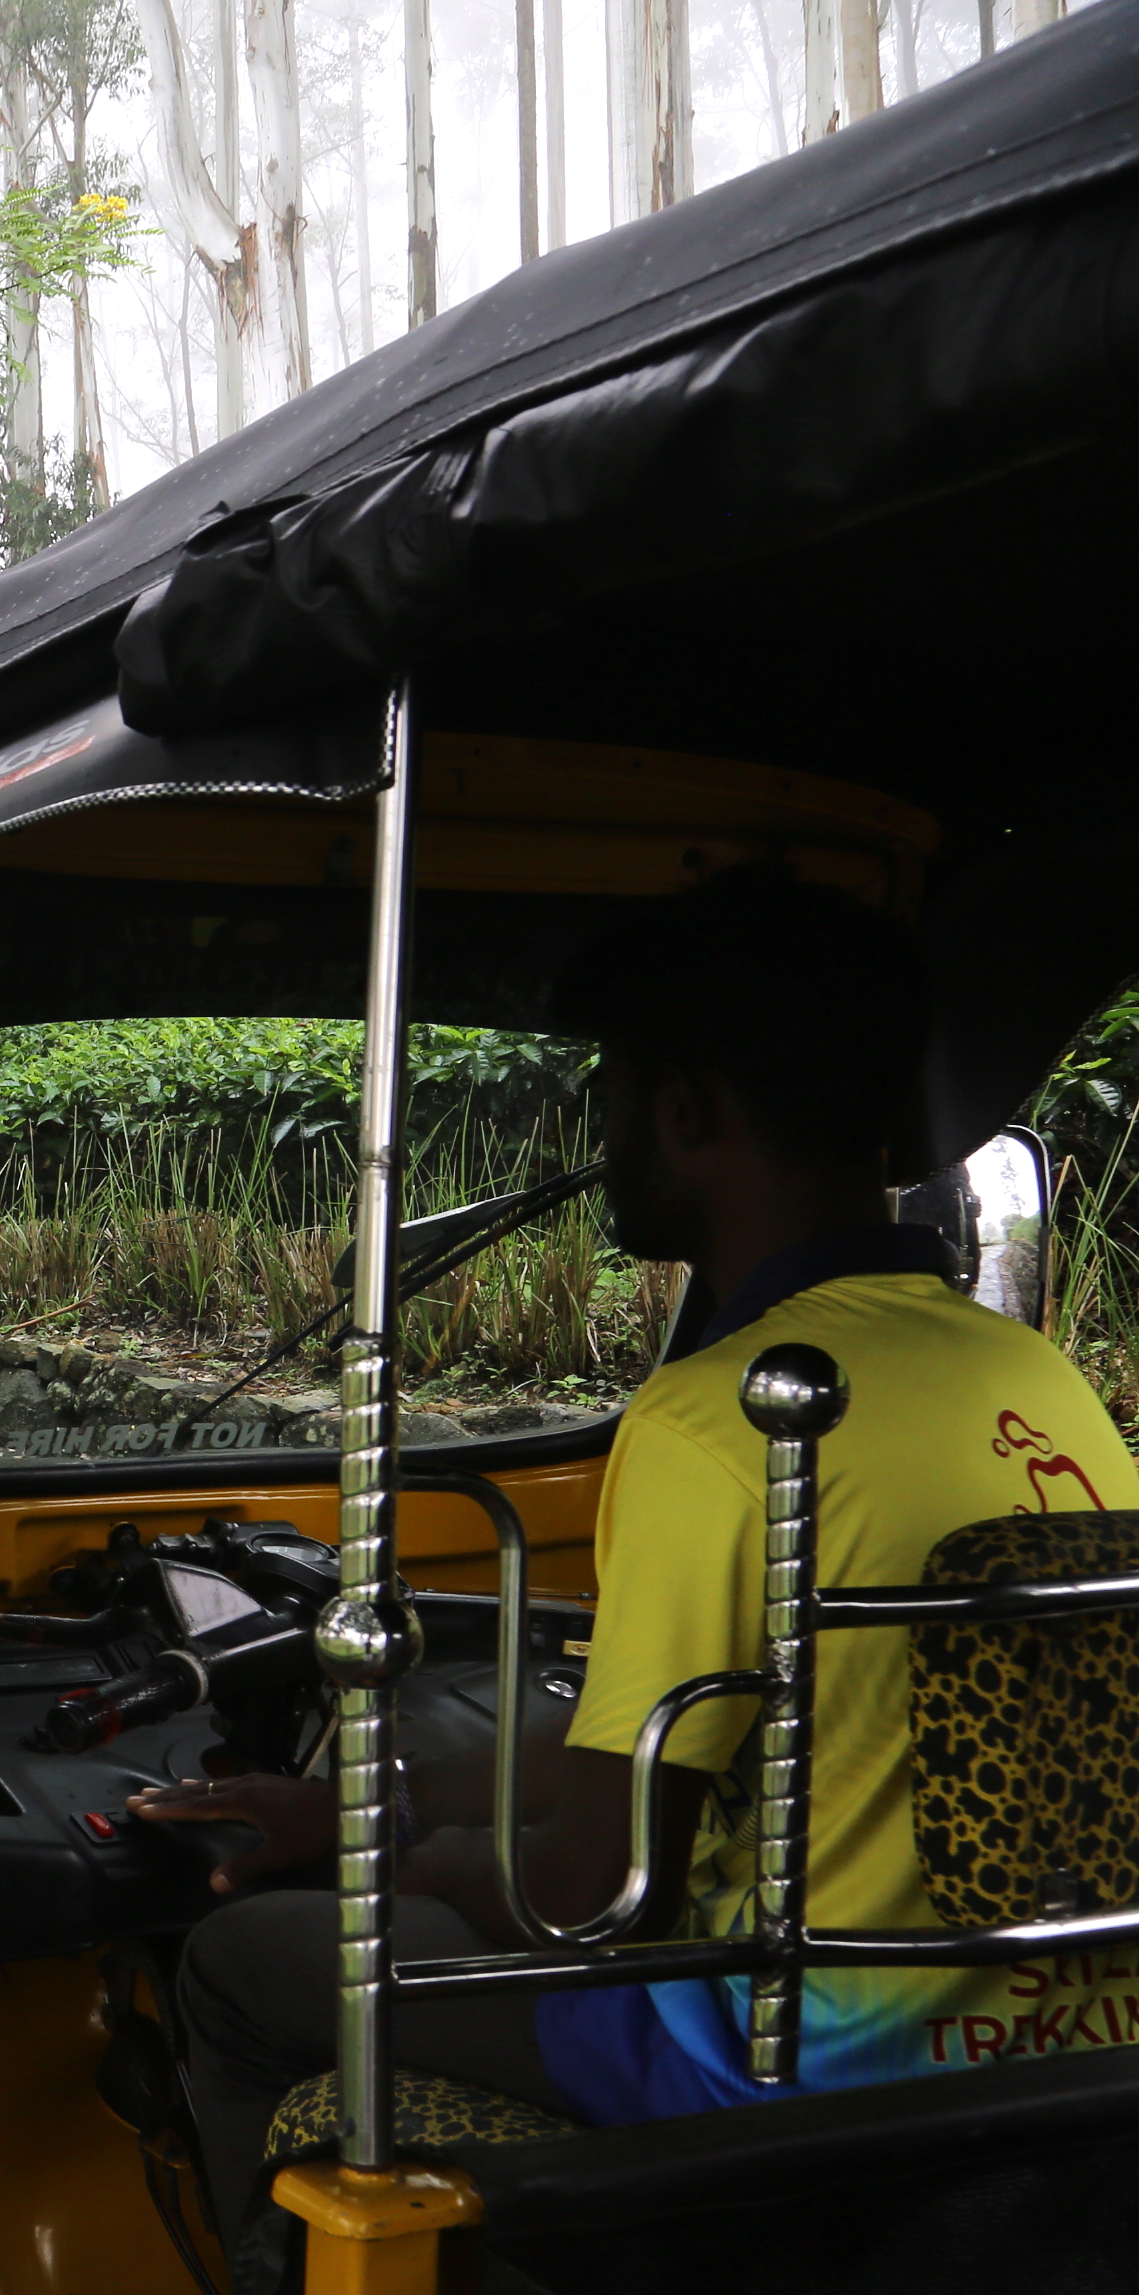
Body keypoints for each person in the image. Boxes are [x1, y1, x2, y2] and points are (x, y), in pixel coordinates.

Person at [132, 867, 1132, 2223]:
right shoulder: (1032, 1376)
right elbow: (685, 1741)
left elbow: (585, 1893)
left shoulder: (719, 1420)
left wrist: (389, 1863)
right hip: (1065, 2040)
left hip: (787, 2064)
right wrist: (392, 1804)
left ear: (686, 1111)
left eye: (607, 1097)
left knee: (240, 1961)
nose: (601, 1138)